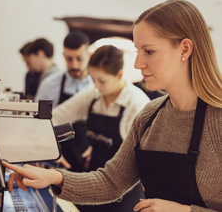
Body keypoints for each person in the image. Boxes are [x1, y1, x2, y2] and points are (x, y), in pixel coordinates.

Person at [3, 0, 222, 211]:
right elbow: (112, 182)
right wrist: (53, 177)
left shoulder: (218, 121)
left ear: (184, 49)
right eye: (137, 51)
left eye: (149, 51)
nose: (137, 64)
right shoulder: (150, 116)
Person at [51, 45, 149, 211]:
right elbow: (56, 117)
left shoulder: (136, 104)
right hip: (94, 183)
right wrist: (47, 147)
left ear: (119, 75)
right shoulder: (93, 95)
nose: (96, 85)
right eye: (93, 79)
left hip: (125, 192)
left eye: (102, 81)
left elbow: (144, 161)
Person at [35, 31, 93, 172]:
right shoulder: (50, 84)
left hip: (90, 162)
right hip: (57, 161)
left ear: (89, 55)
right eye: (69, 59)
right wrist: (45, 153)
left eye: (79, 58)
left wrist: (96, 147)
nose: (74, 65)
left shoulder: (98, 86)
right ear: (63, 56)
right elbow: (38, 123)